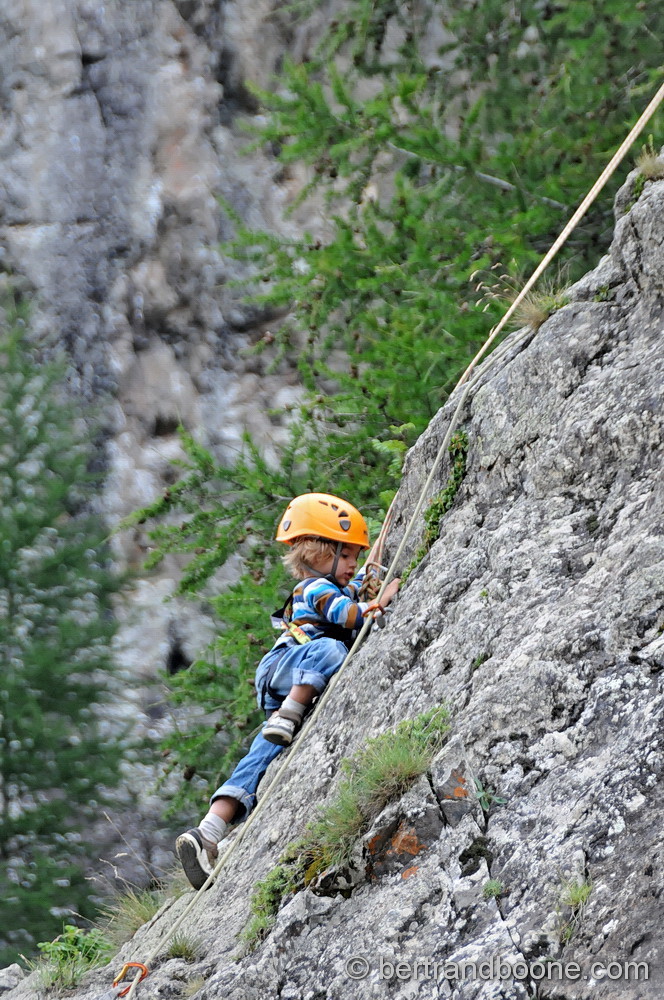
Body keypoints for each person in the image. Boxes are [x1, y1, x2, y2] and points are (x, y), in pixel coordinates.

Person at [175, 492, 400, 889]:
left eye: (353, 557)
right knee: (332, 647)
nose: (352, 564)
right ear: (318, 555)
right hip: (287, 667)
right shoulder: (314, 589)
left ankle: (209, 832)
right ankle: (290, 712)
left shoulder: (334, 584)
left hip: (291, 682)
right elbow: (346, 613)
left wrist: (371, 563)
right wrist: (378, 602)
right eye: (346, 555)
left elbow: (358, 583)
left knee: (265, 751)